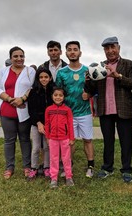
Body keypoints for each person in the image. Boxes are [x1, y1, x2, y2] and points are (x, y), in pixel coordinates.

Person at [85, 36, 132, 182]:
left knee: (126, 141)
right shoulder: (98, 67)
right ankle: (107, 167)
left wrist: (118, 76)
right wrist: (88, 80)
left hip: (123, 109)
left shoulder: (129, 65)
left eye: (113, 47)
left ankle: (126, 169)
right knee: (108, 141)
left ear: (118, 48)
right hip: (105, 109)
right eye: (107, 48)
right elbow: (91, 90)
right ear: (104, 51)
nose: (110, 50)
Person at [0, 46, 36, 179]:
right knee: (9, 140)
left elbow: (33, 88)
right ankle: (9, 167)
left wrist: (22, 99)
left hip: (24, 111)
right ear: (11, 58)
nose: (19, 59)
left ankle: (27, 166)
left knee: (24, 139)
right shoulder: (3, 71)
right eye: (16, 56)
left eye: (21, 56)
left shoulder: (30, 71)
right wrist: (9, 99)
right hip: (7, 111)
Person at [56, 41, 95, 178]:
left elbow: (94, 90)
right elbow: (58, 93)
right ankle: (68, 166)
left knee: (88, 140)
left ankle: (91, 166)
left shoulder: (87, 71)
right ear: (66, 53)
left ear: (80, 52)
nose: (72, 52)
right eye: (69, 50)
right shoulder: (61, 73)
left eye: (75, 49)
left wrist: (89, 94)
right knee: (69, 142)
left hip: (84, 113)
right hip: (68, 114)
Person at [27, 67, 54, 180]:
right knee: (36, 147)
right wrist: (38, 123)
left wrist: (48, 124)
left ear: (50, 78)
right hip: (36, 123)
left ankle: (47, 167)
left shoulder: (53, 91)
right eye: (41, 77)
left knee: (47, 147)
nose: (44, 79)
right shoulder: (33, 92)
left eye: (46, 77)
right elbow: (31, 110)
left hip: (49, 124)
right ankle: (34, 168)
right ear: (38, 79)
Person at [45, 87, 75, 188]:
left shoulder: (67, 110)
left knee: (66, 158)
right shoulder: (49, 109)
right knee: (54, 158)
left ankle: (68, 177)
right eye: (56, 95)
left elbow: (70, 124)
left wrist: (71, 138)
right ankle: (54, 178)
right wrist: (48, 137)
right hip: (53, 138)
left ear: (64, 97)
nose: (58, 97)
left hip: (65, 138)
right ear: (52, 96)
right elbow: (47, 124)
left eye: (60, 95)